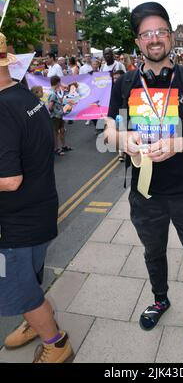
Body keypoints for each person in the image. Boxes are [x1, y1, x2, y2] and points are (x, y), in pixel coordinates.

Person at [104, 2, 183, 336]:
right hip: (145, 191)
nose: (154, 39)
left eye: (160, 32)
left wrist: (176, 145)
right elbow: (108, 131)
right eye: (146, 34)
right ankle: (160, 299)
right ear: (138, 42)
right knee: (153, 250)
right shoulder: (124, 84)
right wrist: (123, 139)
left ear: (169, 37)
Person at [0, 33, 73, 363]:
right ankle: (36, 321)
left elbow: (10, 180)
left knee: (18, 288)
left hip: (15, 224)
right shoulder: (23, 96)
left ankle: (55, 342)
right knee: (29, 279)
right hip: (40, 211)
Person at [48, 76, 72, 155]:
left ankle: (64, 146)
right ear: (58, 83)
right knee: (55, 133)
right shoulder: (52, 93)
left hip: (60, 115)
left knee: (62, 130)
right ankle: (56, 148)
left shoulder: (55, 92)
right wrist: (55, 112)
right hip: (55, 117)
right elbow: (50, 107)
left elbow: (56, 103)